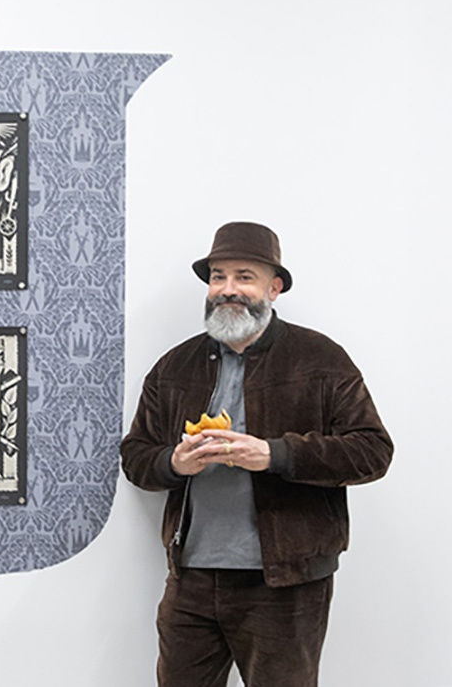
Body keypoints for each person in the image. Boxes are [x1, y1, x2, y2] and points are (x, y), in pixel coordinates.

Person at [120, 221, 393, 687]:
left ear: (274, 287)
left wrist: (274, 455)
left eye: (244, 276)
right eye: (218, 276)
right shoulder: (174, 366)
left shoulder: (321, 358)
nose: (228, 289)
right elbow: (135, 455)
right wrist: (174, 463)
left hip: (286, 583)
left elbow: (372, 451)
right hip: (190, 579)